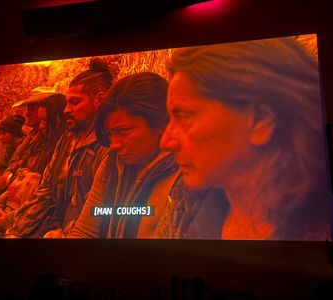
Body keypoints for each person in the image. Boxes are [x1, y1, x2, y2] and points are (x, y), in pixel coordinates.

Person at [159, 36, 333, 240]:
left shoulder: (329, 229)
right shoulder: (184, 208)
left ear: (261, 120)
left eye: (184, 117)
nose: (165, 142)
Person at [67, 72, 227, 239]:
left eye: (123, 131)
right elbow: (86, 231)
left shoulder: (190, 176)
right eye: (110, 134)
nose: (114, 145)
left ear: (160, 124)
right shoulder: (112, 165)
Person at [5, 59, 115, 238]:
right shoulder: (67, 140)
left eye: (74, 102)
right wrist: (15, 229)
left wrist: (65, 235)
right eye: (66, 103)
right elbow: (45, 191)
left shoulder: (108, 146)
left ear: (99, 100)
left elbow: (99, 216)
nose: (66, 110)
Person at [0, 92, 67, 237]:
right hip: (17, 202)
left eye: (32, 108)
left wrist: (9, 220)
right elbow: (16, 169)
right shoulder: (34, 138)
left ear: (58, 118)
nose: (28, 113)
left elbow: (42, 194)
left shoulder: (60, 147)